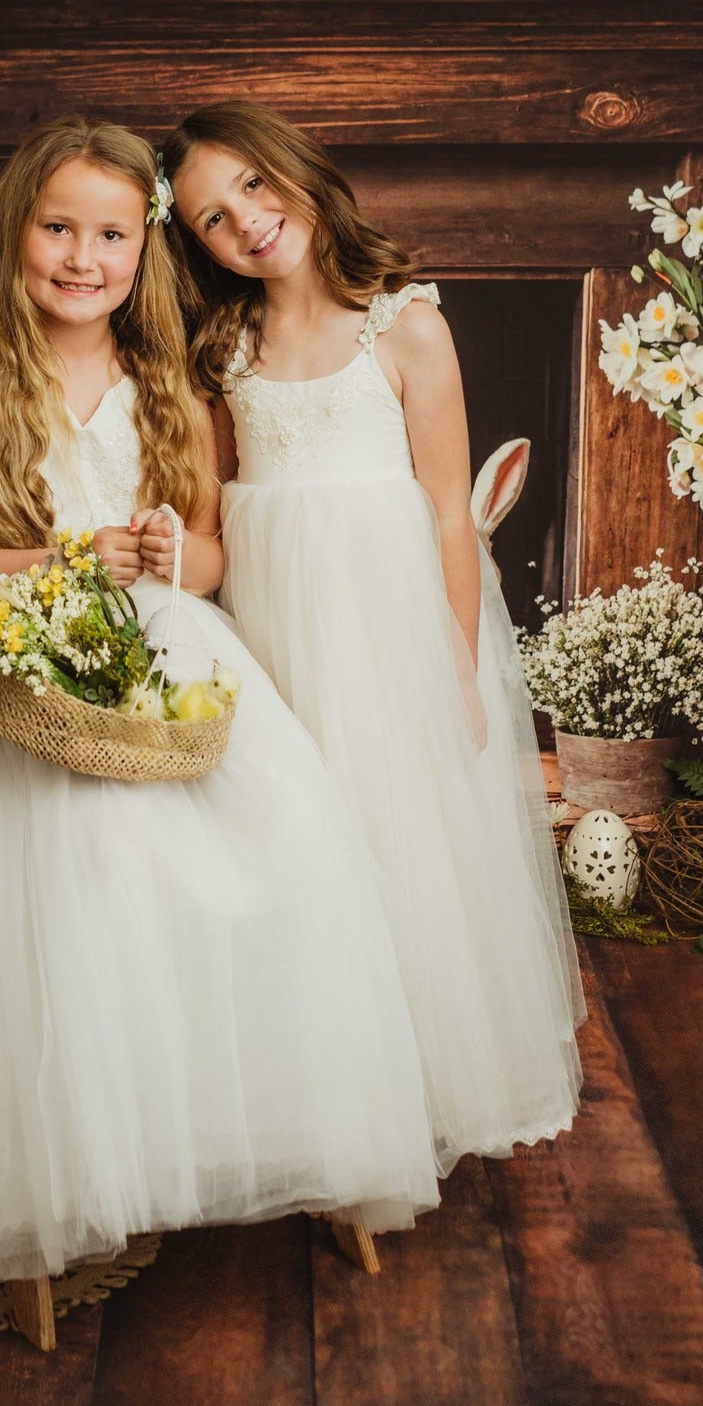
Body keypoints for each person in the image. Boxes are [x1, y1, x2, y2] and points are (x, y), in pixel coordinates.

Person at [0, 114, 439, 1297]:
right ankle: (33, 1170)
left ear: (145, 248)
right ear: (16, 230)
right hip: (6, 648)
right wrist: (67, 559)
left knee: (273, 851)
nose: (83, 257)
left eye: (112, 234)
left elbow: (217, 554)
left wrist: (175, 547)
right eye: (59, 228)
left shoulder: (171, 380)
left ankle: (241, 1127)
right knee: (45, 866)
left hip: (157, 645)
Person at [162, 99, 585, 1175]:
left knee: (397, 837)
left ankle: (420, 1079)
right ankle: (312, 1083)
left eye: (252, 185)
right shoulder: (227, 351)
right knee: (296, 837)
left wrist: (453, 654)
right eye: (213, 218)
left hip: (385, 632)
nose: (246, 221)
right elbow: (219, 519)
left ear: (294, 168)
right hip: (273, 631)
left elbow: (448, 511)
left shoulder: (402, 327)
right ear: (199, 246)